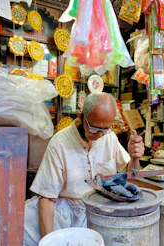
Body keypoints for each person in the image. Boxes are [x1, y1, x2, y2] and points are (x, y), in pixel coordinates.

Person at [23, 92, 144, 245]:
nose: (100, 134)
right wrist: (49, 241)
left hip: (104, 207)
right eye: (94, 128)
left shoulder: (109, 137)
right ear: (81, 117)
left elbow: (130, 174)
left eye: (105, 129)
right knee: (24, 218)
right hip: (70, 210)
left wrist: (134, 157)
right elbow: (47, 197)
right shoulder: (60, 142)